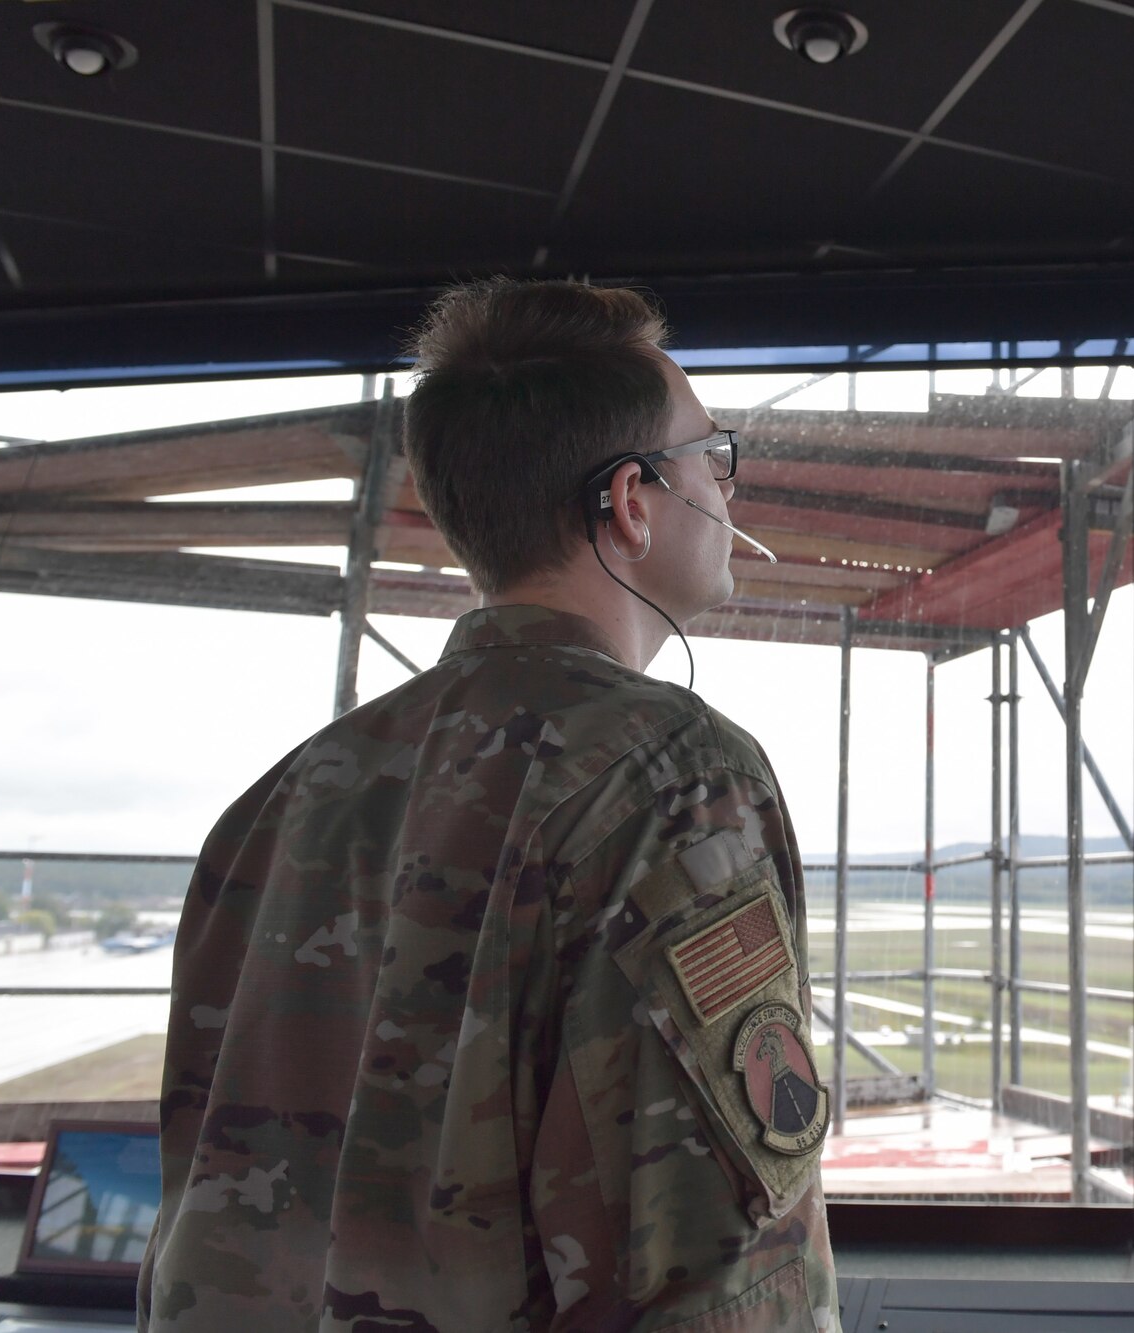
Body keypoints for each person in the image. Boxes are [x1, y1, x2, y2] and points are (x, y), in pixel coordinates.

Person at [139, 278, 836, 1332]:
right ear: (632, 503)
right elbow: (720, 1266)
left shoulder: (277, 803)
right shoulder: (670, 777)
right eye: (713, 455)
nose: (729, 492)